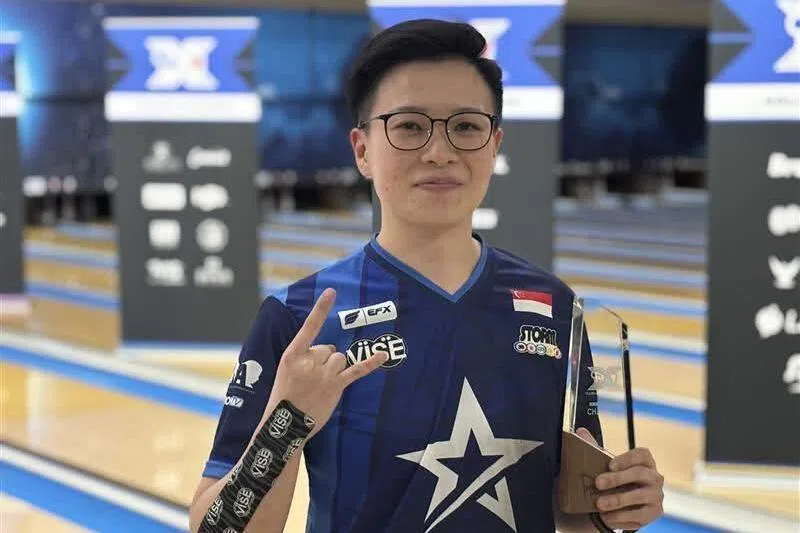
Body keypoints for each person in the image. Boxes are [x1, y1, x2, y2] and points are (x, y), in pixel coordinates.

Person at [188, 19, 664, 533]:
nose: (440, 151)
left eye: (466, 126)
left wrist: (616, 507)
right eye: (409, 125)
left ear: (495, 143)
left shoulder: (554, 309)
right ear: (363, 149)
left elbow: (576, 521)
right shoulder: (298, 318)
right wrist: (285, 423)